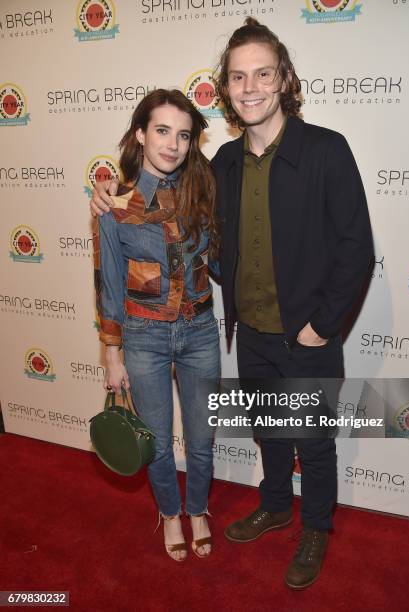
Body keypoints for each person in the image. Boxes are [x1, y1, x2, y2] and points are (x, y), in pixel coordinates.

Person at [91, 19, 374, 589]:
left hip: (309, 335)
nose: (249, 87)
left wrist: (322, 326)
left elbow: (356, 249)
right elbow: (165, 185)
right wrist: (106, 193)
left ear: (284, 78)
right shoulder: (220, 164)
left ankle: (315, 527)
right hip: (252, 335)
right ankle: (274, 505)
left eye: (262, 73)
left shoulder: (326, 150)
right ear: (225, 88)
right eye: (238, 76)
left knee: (312, 441)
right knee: (270, 432)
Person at [93, 89, 220, 562]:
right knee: (159, 443)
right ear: (141, 134)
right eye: (162, 131)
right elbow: (108, 281)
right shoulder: (114, 204)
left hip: (200, 331)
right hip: (143, 337)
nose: (172, 144)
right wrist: (112, 353)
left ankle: (199, 509)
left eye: (183, 135)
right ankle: (170, 514)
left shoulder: (202, 191)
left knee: (203, 438)